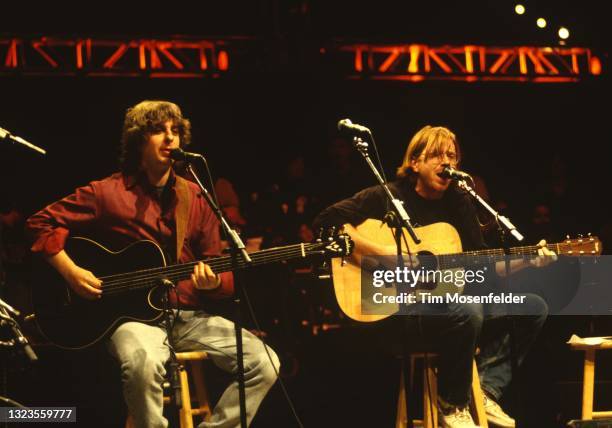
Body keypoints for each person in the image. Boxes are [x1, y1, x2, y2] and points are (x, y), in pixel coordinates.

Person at [26, 100, 279, 428]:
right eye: (159, 130)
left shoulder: (195, 196)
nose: (170, 138)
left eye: (175, 131)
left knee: (266, 362)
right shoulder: (106, 193)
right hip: (131, 319)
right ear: (138, 141)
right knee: (144, 362)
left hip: (188, 315)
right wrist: (71, 272)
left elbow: (218, 265)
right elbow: (39, 223)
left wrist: (214, 283)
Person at [313, 125, 555, 428]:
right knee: (468, 310)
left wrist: (529, 262)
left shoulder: (460, 203)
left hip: (448, 312)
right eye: (437, 155)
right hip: (394, 313)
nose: (447, 162)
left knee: (532, 306)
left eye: (452, 156)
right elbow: (326, 221)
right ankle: (452, 404)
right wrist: (381, 254)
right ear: (415, 162)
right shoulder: (387, 196)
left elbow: (483, 269)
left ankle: (486, 390)